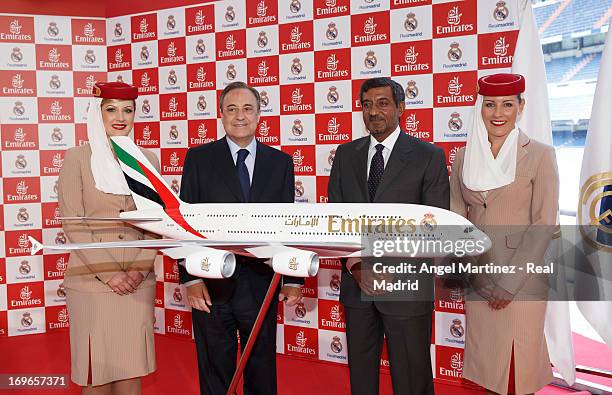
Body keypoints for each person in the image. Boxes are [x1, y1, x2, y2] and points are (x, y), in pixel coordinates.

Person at [178, 81, 304, 395]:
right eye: (231, 109)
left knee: (261, 371)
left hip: (262, 284)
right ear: (220, 115)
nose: (240, 116)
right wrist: (190, 280)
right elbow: (182, 224)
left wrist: (293, 279)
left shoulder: (280, 163)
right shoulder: (198, 158)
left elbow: (288, 225)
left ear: (259, 115)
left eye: (247, 109)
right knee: (215, 371)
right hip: (211, 284)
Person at [328, 77, 449, 395]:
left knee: (411, 377)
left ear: (401, 108)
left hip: (406, 286)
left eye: (382, 103)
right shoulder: (345, 155)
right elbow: (336, 220)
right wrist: (356, 267)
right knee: (362, 379)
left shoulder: (428, 156)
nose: (373, 112)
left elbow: (433, 225)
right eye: (366, 105)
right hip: (357, 285)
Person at [450, 73, 559, 395]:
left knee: (517, 372)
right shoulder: (463, 157)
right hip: (480, 276)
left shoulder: (540, 154)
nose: (498, 113)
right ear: (479, 108)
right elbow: (457, 218)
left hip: (522, 279)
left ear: (521, 106)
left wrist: (509, 283)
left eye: (508, 104)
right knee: (487, 369)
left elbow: (543, 223)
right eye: (490, 105)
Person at [58, 81, 160, 395]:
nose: (121, 116)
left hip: (137, 283)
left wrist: (138, 270)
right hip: (91, 283)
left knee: (132, 375)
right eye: (111, 109)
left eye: (128, 110)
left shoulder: (148, 160)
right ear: (97, 113)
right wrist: (109, 273)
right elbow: (73, 224)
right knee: (97, 376)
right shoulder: (77, 159)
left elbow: (157, 223)